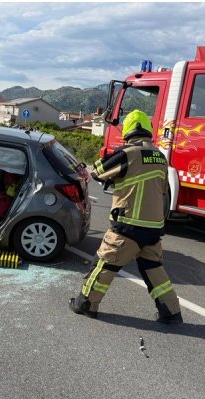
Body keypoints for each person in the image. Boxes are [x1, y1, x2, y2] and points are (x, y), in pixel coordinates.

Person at [70, 110, 182, 324]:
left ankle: (86, 304)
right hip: (153, 227)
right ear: (148, 131)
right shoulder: (159, 155)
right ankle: (172, 312)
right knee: (154, 270)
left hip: (128, 225)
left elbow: (97, 171)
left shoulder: (127, 153)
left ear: (128, 131)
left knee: (104, 264)